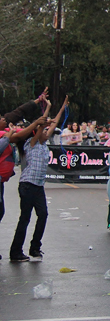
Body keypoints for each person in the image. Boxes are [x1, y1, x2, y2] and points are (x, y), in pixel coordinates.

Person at [9, 96, 68, 263]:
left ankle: (35, 247)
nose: (46, 133)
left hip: (38, 186)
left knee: (43, 215)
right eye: (43, 131)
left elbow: (53, 123)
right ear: (37, 132)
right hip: (27, 185)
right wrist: (46, 109)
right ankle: (16, 251)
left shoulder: (44, 144)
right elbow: (42, 123)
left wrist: (62, 107)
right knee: (25, 218)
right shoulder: (31, 143)